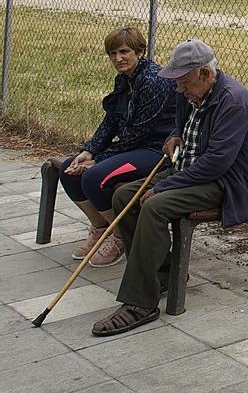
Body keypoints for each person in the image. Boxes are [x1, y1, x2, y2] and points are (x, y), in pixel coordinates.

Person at [90, 38, 248, 337]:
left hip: (226, 182)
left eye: (183, 82)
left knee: (155, 205)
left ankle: (140, 303)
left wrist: (165, 185)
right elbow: (182, 129)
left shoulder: (233, 101)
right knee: (123, 196)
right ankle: (164, 273)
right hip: (190, 171)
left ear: (205, 75)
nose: (179, 90)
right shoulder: (190, 92)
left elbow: (217, 163)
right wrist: (173, 137)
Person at [56, 25, 175, 267]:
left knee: (94, 177)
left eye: (124, 52)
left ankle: (121, 237)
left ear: (139, 51)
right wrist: (88, 151)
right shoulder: (124, 79)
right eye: (112, 53)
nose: (118, 58)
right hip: (134, 147)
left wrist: (98, 160)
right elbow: (111, 120)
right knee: (68, 169)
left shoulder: (154, 81)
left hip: (156, 151)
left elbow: (138, 133)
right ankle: (102, 229)